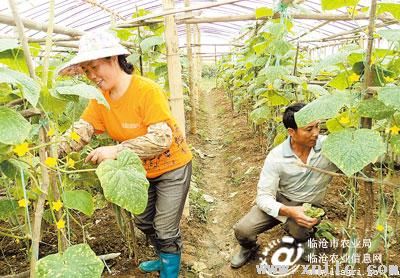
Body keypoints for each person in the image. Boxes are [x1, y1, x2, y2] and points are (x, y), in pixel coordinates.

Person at [57, 30, 192, 278]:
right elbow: (83, 129)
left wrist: (116, 150)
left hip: (172, 166)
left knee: (164, 228)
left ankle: (170, 270)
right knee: (144, 222)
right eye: (86, 71)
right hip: (137, 170)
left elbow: (162, 138)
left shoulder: (146, 90)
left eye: (94, 67)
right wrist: (51, 150)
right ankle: (163, 258)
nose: (92, 76)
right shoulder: (100, 99)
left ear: (113, 59)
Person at [230, 103, 337, 268]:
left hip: (308, 205)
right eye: (309, 129)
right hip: (280, 200)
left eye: (317, 126)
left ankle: (303, 239)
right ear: (291, 132)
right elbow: (264, 197)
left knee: (302, 229)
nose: (316, 133)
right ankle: (248, 247)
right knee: (243, 230)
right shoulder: (276, 157)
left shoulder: (329, 147)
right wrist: (289, 211)